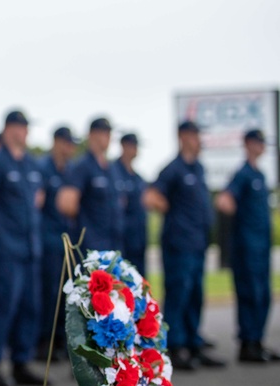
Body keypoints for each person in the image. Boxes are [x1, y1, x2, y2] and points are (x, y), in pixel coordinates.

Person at [0, 110, 46, 386]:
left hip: (28, 249)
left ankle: (21, 362)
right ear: (9, 129)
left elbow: (38, 199)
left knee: (29, 308)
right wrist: (1, 224)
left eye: (26, 128)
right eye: (20, 127)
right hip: (2, 250)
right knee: (0, 306)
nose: (24, 132)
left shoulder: (30, 164)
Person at [143, 120, 226, 371]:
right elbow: (151, 196)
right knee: (179, 292)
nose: (199, 139)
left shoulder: (198, 168)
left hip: (198, 243)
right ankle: (176, 347)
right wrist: (173, 215)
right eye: (195, 135)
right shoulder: (173, 169)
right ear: (183, 137)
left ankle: (193, 343)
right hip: (179, 244)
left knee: (195, 294)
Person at [215, 129, 280, 363]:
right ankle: (248, 344)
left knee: (263, 295)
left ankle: (258, 341)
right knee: (250, 294)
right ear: (249, 144)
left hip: (261, 248)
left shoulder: (260, 175)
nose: (262, 147)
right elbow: (224, 200)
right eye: (258, 142)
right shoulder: (242, 174)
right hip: (247, 248)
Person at [37, 126, 78, 360]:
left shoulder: (71, 171)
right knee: (48, 292)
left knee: (67, 292)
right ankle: (44, 341)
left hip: (66, 239)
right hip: (47, 238)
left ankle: (61, 340)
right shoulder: (43, 168)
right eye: (66, 142)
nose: (70, 148)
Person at [57, 117, 124, 253]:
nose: (108, 137)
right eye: (103, 133)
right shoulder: (83, 166)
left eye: (109, 133)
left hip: (112, 243)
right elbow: (66, 203)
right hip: (90, 246)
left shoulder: (111, 169)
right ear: (92, 135)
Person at [112, 133, 148, 275]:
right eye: (132, 146)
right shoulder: (113, 172)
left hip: (138, 239)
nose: (135, 150)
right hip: (121, 239)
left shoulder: (138, 178)